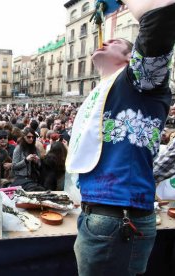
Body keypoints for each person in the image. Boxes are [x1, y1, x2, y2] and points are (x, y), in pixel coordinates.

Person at [65, 1, 175, 275]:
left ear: (132, 59)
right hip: (102, 215)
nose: (106, 39)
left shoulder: (140, 81)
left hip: (117, 217)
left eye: (116, 41)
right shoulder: (103, 91)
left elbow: (159, 15)